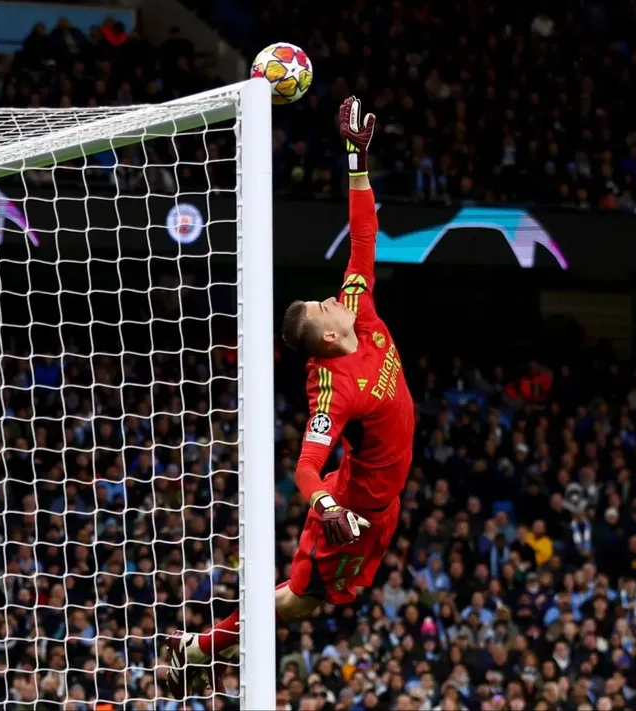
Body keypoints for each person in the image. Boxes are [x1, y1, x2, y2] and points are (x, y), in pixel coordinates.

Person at [164, 95, 415, 698]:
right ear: (328, 336)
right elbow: (305, 465)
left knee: (302, 600)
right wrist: (328, 508)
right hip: (357, 505)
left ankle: (202, 647)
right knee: (301, 603)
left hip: (380, 495)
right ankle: (200, 649)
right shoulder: (334, 388)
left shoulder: (358, 307)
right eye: (325, 306)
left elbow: (363, 235)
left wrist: (356, 159)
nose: (333, 299)